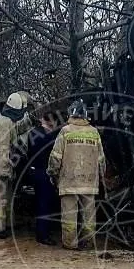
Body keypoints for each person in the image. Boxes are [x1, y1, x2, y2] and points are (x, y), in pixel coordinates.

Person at [48, 100, 105, 250]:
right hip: (89, 181)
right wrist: (101, 176)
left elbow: (55, 157)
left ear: (71, 114)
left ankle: (70, 243)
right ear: (86, 115)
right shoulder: (94, 132)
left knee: (69, 215)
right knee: (89, 215)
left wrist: (53, 173)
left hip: (69, 180)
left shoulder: (65, 131)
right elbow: (101, 159)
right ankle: (89, 242)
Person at [0, 91, 34, 239]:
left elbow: (15, 129)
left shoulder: (6, 119)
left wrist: (28, 122)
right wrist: (4, 171)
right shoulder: (5, 123)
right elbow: (1, 150)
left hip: (0, 164)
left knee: (5, 197)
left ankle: (4, 225)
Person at [27, 116, 60, 246]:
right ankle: (43, 234)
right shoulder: (50, 137)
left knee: (40, 202)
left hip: (34, 171)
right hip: (45, 172)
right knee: (45, 203)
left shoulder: (32, 133)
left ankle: (42, 231)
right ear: (51, 122)